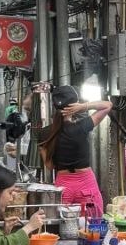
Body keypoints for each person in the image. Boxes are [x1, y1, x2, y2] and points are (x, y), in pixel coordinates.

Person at [37, 85, 112, 218]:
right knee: (91, 227)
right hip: (86, 187)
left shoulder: (45, 133)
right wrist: (83, 107)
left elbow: (50, 166)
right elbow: (107, 105)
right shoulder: (82, 126)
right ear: (74, 105)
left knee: (64, 228)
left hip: (64, 188)